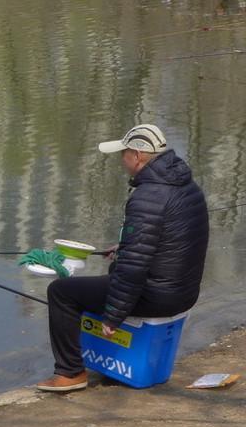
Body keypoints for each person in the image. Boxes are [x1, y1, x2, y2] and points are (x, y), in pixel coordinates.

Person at [37, 124, 208, 392]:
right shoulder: (185, 185)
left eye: (124, 153)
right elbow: (171, 239)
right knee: (114, 270)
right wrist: (124, 247)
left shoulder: (147, 196)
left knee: (61, 292)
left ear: (137, 156)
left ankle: (70, 373)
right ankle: (106, 361)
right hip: (184, 291)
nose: (121, 160)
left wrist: (113, 316)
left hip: (159, 295)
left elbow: (134, 267)